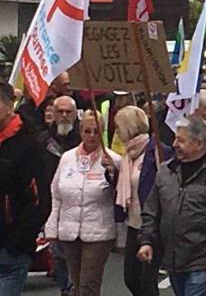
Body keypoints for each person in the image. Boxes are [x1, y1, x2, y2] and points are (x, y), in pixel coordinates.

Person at [137, 116, 206, 296]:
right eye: (176, 138)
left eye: (181, 140)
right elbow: (152, 211)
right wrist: (147, 241)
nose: (175, 144)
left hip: (204, 262)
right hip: (173, 262)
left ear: (199, 143)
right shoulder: (165, 171)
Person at [44, 110, 122, 296]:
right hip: (69, 231)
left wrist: (113, 173)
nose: (92, 136)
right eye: (87, 131)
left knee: (89, 284)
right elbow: (56, 194)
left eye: (96, 131)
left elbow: (121, 196)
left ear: (102, 131)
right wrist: (51, 229)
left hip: (99, 232)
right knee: (77, 284)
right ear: (80, 132)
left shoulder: (114, 159)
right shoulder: (67, 158)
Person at [112, 106, 173, 296]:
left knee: (147, 280)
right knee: (130, 277)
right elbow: (125, 186)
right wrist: (112, 173)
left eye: (118, 126)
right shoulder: (128, 155)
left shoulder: (158, 151)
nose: (116, 131)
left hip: (153, 224)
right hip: (133, 224)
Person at [0, 82, 48, 296]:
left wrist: (15, 244)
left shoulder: (28, 146)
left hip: (11, 251)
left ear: (10, 105)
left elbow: (40, 202)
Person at [38, 96, 81, 296]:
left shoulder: (83, 138)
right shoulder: (43, 140)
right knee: (57, 254)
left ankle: (75, 289)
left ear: (75, 114)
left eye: (68, 112)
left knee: (75, 253)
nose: (64, 116)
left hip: (77, 203)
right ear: (53, 114)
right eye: (60, 111)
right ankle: (66, 288)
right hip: (52, 204)